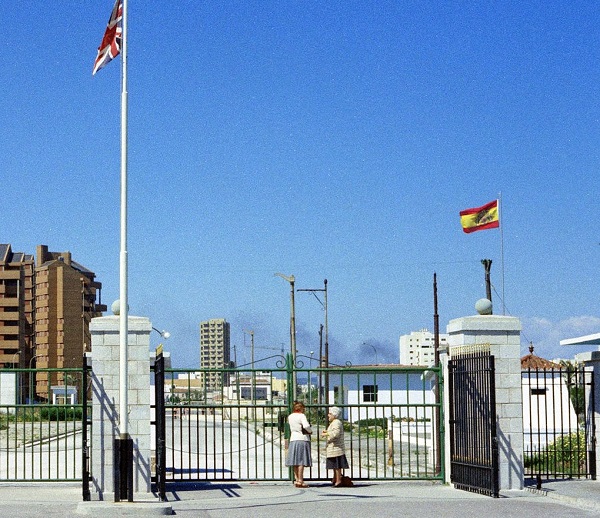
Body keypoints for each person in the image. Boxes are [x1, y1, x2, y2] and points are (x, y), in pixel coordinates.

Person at [285, 401, 312, 487]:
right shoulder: (302, 416)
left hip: (293, 438)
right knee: (301, 461)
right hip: (302, 438)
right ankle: (301, 480)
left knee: (295, 461)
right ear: (301, 408)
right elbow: (306, 426)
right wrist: (310, 431)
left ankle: (297, 479)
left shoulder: (290, 416)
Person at [322, 406, 349, 486]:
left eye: (330, 414)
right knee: (334, 465)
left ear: (334, 415)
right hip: (333, 447)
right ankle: (335, 478)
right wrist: (327, 431)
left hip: (336, 447)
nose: (328, 415)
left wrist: (326, 434)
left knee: (337, 466)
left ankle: (338, 480)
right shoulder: (334, 422)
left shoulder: (336, 422)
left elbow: (336, 433)